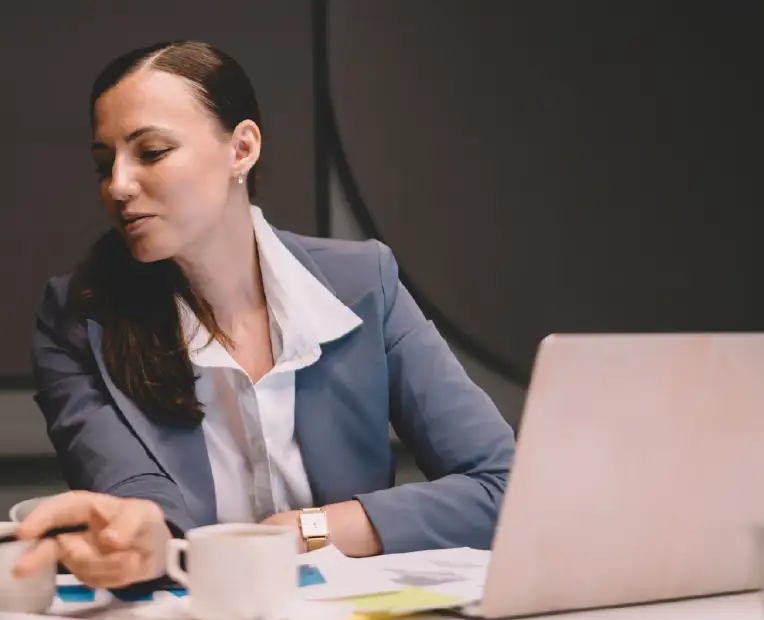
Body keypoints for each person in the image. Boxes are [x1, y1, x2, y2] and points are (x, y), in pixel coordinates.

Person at [26, 41, 514, 576]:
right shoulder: (77, 317)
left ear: (242, 149)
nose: (117, 185)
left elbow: (501, 485)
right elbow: (138, 502)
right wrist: (144, 539)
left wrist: (308, 530)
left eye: (152, 152)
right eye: (104, 163)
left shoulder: (364, 283)